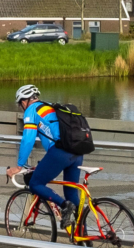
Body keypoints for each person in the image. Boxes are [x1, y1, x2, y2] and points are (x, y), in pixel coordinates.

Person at [8, 83, 80, 218]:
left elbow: (28, 140)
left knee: (35, 184)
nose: (20, 107)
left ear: (24, 101)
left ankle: (64, 205)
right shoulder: (48, 106)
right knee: (71, 194)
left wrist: (19, 166)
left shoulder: (31, 110)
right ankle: (83, 236)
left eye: (20, 104)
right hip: (76, 152)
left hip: (60, 152)